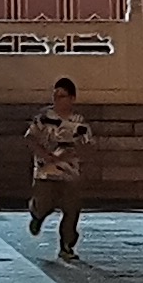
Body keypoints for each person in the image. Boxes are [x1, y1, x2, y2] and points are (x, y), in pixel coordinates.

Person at [23, 76, 93, 266]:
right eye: (55, 96)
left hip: (70, 173)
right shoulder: (44, 118)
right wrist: (45, 155)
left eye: (62, 96)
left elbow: (87, 145)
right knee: (45, 204)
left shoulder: (78, 122)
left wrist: (73, 155)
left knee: (71, 211)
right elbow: (30, 138)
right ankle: (37, 214)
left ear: (72, 98)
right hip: (46, 172)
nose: (57, 100)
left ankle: (67, 247)